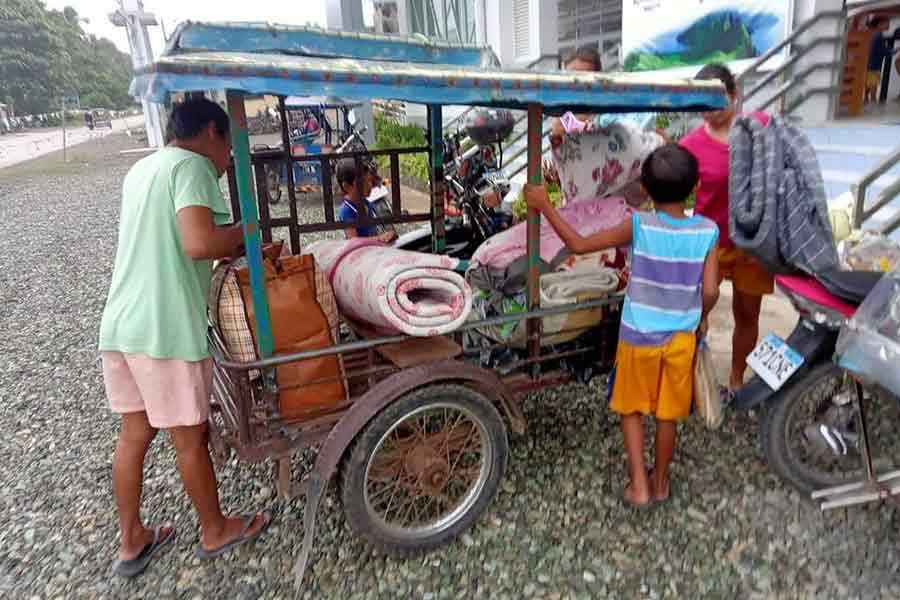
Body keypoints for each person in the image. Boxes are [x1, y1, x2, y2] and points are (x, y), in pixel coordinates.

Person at [99, 98, 270, 578]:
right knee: (188, 438)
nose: (227, 160)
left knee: (134, 434)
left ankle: (132, 538)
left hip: (121, 323)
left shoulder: (143, 169)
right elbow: (199, 242)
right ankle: (215, 529)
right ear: (212, 133)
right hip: (164, 329)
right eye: (228, 147)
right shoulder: (192, 166)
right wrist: (244, 232)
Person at [526, 144, 720, 507]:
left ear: (643, 189)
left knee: (631, 407)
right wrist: (699, 316)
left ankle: (638, 485)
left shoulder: (639, 225)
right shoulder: (707, 231)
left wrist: (544, 203)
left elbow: (578, 243)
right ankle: (660, 482)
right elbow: (710, 290)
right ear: (694, 186)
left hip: (637, 336)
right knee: (668, 413)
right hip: (681, 338)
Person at [679, 63, 772, 398]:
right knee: (694, 310)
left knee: (747, 313)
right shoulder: (690, 144)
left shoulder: (758, 129)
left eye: (717, 102)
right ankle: (690, 375)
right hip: (710, 240)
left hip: (753, 242)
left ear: (735, 95)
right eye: (702, 106)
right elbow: (673, 188)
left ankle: (736, 378)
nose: (711, 113)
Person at [336, 157, 398, 243]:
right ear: (347, 186)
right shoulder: (346, 211)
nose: (370, 185)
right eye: (364, 182)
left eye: (370, 181)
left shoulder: (367, 203)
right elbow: (353, 241)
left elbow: (375, 230)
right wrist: (379, 238)